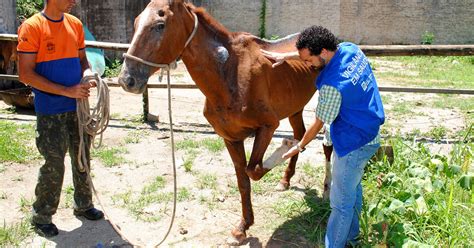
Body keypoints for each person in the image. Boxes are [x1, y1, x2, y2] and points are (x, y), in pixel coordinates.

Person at [261, 26, 385, 247]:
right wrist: (286, 56)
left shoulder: (331, 85)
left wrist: (299, 146)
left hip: (353, 143)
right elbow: (315, 56)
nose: (307, 65)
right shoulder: (350, 50)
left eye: (308, 61)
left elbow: (318, 123)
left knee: (340, 205)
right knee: (353, 190)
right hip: (371, 132)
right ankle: (353, 238)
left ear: (324, 52)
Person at [17, 0, 103, 237]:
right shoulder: (33, 27)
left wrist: (87, 74)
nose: (74, 0)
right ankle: (41, 215)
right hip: (51, 110)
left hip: (78, 107)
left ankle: (84, 205)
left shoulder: (75, 24)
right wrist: (67, 91)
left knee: (82, 156)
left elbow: (83, 61)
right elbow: (25, 73)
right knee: (54, 163)